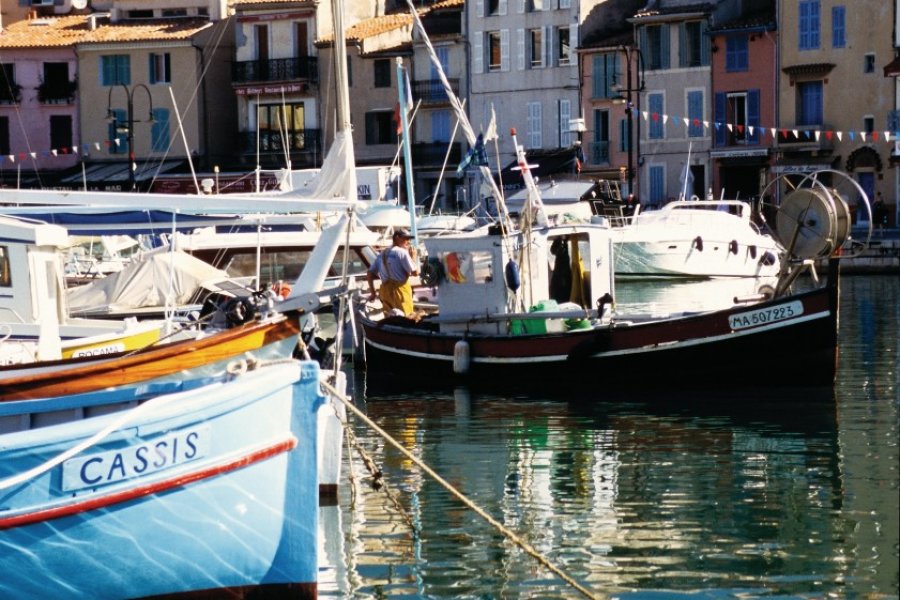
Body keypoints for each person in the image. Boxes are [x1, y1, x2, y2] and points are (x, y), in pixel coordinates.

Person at [367, 228, 419, 317]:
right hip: (401, 293)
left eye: (409, 239)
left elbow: (370, 273)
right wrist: (413, 257)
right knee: (406, 318)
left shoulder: (382, 254)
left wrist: (373, 293)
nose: (409, 242)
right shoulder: (402, 252)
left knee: (389, 319)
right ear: (397, 238)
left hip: (385, 293)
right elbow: (415, 273)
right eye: (406, 239)